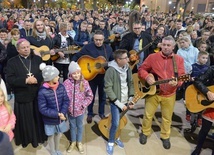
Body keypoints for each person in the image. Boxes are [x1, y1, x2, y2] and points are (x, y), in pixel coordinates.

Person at [138, 36, 185, 149]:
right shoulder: (152, 57)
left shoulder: (178, 59)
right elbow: (141, 69)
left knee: (167, 117)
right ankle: (145, 132)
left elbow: (183, 77)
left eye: (168, 45)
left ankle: (165, 136)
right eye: (164, 45)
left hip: (169, 94)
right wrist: (147, 76)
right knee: (148, 115)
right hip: (153, 93)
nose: (165, 47)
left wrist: (177, 83)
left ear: (173, 47)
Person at [6, 39, 47, 147]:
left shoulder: (37, 59)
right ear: (18, 49)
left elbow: (43, 72)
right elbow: (10, 79)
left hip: (36, 94)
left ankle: (38, 137)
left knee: (36, 118)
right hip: (22, 96)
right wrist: (26, 80)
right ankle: (26, 139)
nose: (26, 49)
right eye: (23, 48)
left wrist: (36, 79)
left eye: (28, 47)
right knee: (25, 121)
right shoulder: (12, 62)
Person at [72, 30, 114, 124]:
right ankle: (90, 113)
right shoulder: (88, 47)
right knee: (91, 95)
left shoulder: (108, 49)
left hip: (104, 76)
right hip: (91, 76)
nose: (98, 42)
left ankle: (101, 113)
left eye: (100, 40)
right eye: (96, 40)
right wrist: (73, 64)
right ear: (93, 39)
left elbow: (112, 60)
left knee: (103, 96)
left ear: (103, 39)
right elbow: (77, 55)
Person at [104, 49, 134, 155]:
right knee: (115, 122)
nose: (128, 59)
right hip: (116, 102)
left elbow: (130, 83)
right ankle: (111, 142)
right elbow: (108, 88)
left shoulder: (127, 68)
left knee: (120, 122)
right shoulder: (111, 70)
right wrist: (119, 104)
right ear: (118, 60)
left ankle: (117, 137)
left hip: (126, 99)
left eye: (127, 57)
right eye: (125, 58)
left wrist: (131, 97)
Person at [38, 63, 69, 155]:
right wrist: (57, 114)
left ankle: (57, 149)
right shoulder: (42, 92)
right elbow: (43, 108)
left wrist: (62, 112)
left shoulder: (61, 87)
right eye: (56, 76)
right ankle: (52, 151)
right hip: (50, 120)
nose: (58, 77)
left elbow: (66, 100)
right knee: (51, 136)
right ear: (50, 78)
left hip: (60, 118)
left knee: (58, 134)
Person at [64, 61, 93, 154]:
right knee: (72, 126)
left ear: (80, 72)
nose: (76, 75)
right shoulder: (66, 83)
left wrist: (83, 105)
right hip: (70, 111)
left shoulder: (84, 82)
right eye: (74, 73)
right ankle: (73, 141)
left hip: (80, 110)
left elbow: (90, 96)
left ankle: (79, 142)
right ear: (70, 74)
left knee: (80, 126)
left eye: (78, 73)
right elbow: (63, 96)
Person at [191, 66, 214, 155]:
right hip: (210, 105)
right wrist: (207, 92)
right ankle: (198, 148)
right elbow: (197, 81)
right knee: (204, 130)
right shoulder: (212, 69)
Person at [189, 51, 209, 131]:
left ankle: (199, 120)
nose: (205, 60)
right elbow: (188, 77)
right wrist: (191, 79)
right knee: (193, 107)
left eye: (206, 58)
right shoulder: (192, 66)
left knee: (201, 106)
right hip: (193, 89)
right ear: (198, 58)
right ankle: (192, 122)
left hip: (203, 90)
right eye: (203, 58)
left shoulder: (208, 68)